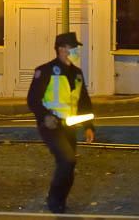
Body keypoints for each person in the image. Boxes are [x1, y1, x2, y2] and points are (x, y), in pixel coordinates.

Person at [27, 32, 95, 213]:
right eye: (74, 47)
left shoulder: (77, 73)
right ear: (62, 48)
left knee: (70, 165)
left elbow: (84, 101)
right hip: (51, 126)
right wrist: (45, 117)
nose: (76, 50)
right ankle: (54, 199)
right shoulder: (46, 70)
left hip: (70, 127)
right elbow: (33, 99)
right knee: (67, 160)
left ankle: (61, 201)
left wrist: (89, 126)